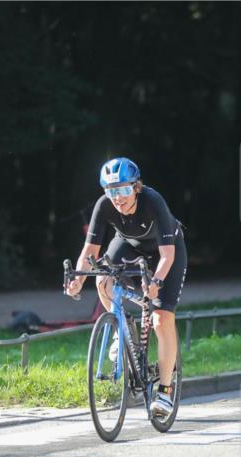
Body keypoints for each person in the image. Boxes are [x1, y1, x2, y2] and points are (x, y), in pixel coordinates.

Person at [65, 157, 187, 417]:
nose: (117, 198)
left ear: (136, 187)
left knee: (161, 318)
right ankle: (121, 330)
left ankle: (165, 391)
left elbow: (168, 256)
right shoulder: (104, 205)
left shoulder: (153, 201)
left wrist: (156, 282)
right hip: (129, 245)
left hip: (166, 251)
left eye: (122, 190)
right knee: (103, 280)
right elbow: (90, 251)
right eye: (111, 191)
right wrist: (78, 280)